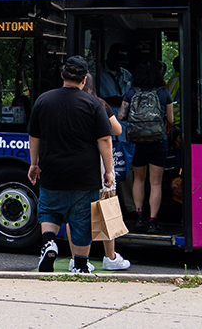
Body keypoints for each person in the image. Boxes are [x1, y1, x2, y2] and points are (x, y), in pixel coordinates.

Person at [27, 55, 115, 275]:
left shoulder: (43, 100)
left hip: (52, 170)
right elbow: (105, 139)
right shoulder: (94, 104)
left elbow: (34, 136)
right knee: (82, 219)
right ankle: (81, 265)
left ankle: (49, 243)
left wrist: (34, 164)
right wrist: (109, 170)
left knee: (49, 211)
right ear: (84, 80)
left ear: (62, 75)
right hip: (84, 175)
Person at [72, 75, 131, 271]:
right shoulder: (99, 104)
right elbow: (116, 130)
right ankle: (110, 257)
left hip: (76, 162)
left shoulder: (69, 103)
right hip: (99, 161)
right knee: (106, 207)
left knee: (75, 211)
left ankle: (76, 258)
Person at [119, 61, 174, 233]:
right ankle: (153, 221)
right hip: (158, 142)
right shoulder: (164, 93)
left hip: (136, 142)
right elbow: (171, 120)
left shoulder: (130, 93)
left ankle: (138, 217)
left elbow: (121, 116)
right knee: (155, 183)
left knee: (139, 180)